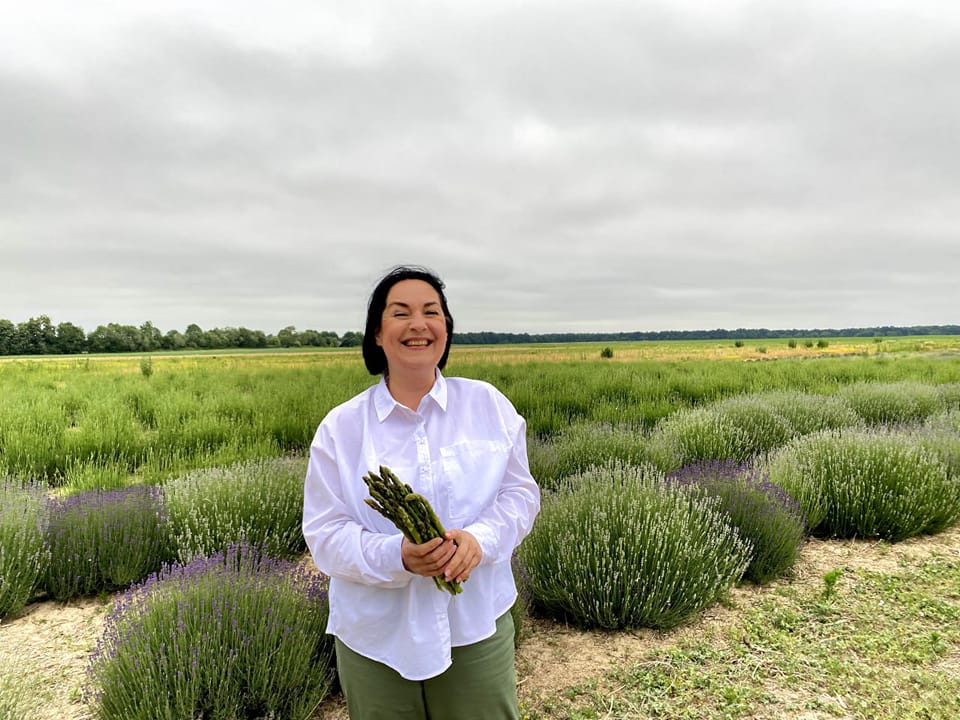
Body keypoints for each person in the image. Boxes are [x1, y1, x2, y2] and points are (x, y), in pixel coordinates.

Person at [302, 265, 541, 720]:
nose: (419, 324)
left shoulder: (487, 405)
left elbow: (520, 495)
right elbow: (324, 535)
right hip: (376, 638)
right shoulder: (342, 428)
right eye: (401, 312)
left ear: (446, 328)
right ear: (377, 332)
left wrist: (480, 541)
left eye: (432, 311)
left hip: (474, 625)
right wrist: (398, 556)